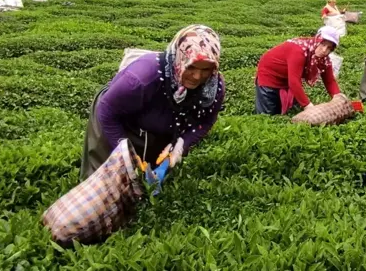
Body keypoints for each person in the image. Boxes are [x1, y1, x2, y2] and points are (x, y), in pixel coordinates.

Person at [80, 25, 225, 181]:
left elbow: (207, 119)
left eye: (206, 70)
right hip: (116, 113)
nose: (197, 76)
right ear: (180, 59)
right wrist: (124, 152)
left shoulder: (213, 87)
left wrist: (182, 143)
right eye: (191, 67)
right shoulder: (140, 79)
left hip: (162, 119)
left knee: (148, 176)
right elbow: (107, 111)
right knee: (106, 176)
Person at [255, 26, 341, 115]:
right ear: (317, 40)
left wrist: (338, 98)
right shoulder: (299, 50)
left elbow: (329, 81)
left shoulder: (324, 60)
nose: (324, 50)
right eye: (323, 44)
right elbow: (294, 82)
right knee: (267, 114)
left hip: (286, 78)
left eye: (329, 48)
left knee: (287, 112)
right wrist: (308, 106)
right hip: (269, 76)